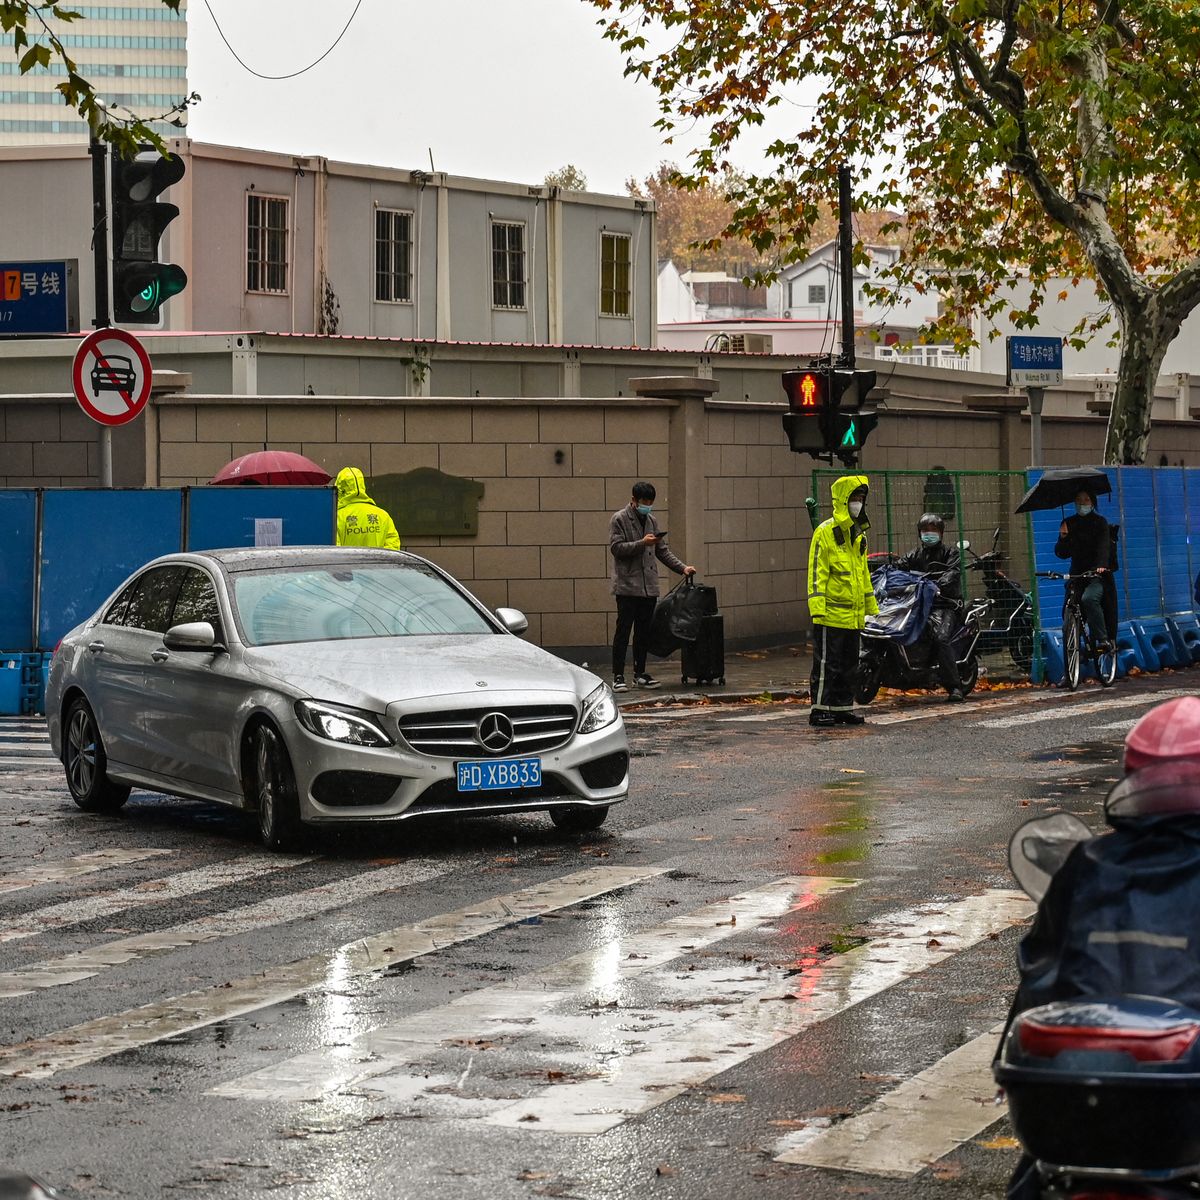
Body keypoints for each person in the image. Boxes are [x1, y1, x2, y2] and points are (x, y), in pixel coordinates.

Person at [1004, 696, 1200, 1199]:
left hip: (1088, 1092)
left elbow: (1038, 972)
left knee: (1035, 1179)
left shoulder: (1088, 863)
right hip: (1179, 1090)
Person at [807, 475, 878, 727]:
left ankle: (842, 707)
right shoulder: (825, 533)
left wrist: (870, 608)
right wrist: (817, 608)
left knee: (849, 664)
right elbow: (818, 572)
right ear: (843, 500)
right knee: (828, 664)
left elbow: (863, 574)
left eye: (861, 499)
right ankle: (820, 708)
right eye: (854, 498)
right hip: (830, 614)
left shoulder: (858, 535)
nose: (858, 503)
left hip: (853, 615)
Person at [609, 481, 695, 691]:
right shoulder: (619, 519)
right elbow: (617, 548)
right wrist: (641, 543)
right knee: (623, 630)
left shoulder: (652, 521)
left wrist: (682, 568)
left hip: (648, 587)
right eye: (644, 502)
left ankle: (640, 673)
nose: (647, 506)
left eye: (650, 503)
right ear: (634, 501)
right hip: (627, 586)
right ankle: (618, 675)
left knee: (643, 632)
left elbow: (662, 551)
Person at [897, 512, 965, 702]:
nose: (929, 534)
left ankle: (954, 687)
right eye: (925, 530)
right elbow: (899, 566)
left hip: (944, 605)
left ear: (941, 533)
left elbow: (952, 573)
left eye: (933, 530)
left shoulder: (951, 553)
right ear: (919, 534)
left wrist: (938, 585)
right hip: (917, 604)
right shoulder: (914, 554)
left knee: (941, 638)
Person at [1054, 488, 1112, 652]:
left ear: (1092, 502)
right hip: (1077, 574)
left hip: (1096, 574)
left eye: (1086, 500)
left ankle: (1102, 638)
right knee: (1068, 606)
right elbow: (1061, 553)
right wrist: (1064, 537)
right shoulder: (1069, 523)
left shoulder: (1100, 522)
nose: (1082, 503)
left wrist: (1101, 565)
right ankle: (1075, 640)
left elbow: (1104, 546)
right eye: (1078, 500)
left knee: (1089, 599)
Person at [335, 466, 402, 550]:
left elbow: (334, 553)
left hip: (348, 563)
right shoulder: (383, 516)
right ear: (362, 486)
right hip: (377, 563)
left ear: (340, 488)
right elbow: (393, 549)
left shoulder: (336, 518)